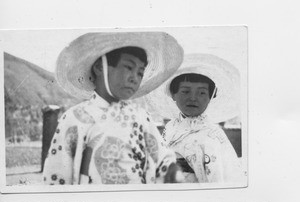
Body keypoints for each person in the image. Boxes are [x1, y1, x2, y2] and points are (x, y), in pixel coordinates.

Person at [42, 32, 184, 185]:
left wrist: (172, 171)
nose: (134, 77)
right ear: (99, 67)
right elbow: (56, 176)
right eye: (128, 67)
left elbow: (162, 158)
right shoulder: (74, 118)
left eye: (140, 72)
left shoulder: (140, 116)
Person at [147, 54, 245, 184]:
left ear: (210, 98)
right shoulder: (171, 127)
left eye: (202, 93)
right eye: (185, 91)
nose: (193, 98)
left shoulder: (213, 135)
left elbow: (219, 177)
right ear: (173, 94)